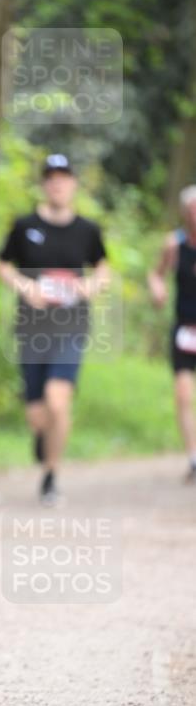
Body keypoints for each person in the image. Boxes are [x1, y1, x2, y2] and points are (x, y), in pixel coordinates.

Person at [0, 154, 110, 505]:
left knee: (58, 402)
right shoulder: (24, 225)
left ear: (73, 183)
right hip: (31, 327)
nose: (57, 183)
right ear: (44, 184)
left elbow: (103, 267)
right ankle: (44, 440)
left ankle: (50, 476)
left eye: (63, 177)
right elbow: (2, 265)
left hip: (70, 327)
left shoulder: (87, 230)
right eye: (51, 178)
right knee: (37, 413)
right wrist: (24, 286)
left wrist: (93, 285)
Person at [148, 184, 196, 483]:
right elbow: (156, 273)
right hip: (185, 329)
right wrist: (158, 288)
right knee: (182, 394)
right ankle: (193, 457)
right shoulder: (174, 244)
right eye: (192, 210)